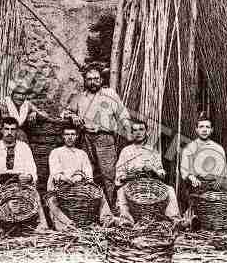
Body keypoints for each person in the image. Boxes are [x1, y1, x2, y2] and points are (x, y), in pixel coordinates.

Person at [63, 62, 131, 209]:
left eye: (96, 79)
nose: (93, 82)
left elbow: (123, 114)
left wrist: (128, 131)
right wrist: (72, 116)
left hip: (105, 138)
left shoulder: (110, 94)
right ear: (85, 81)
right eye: (89, 79)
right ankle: (91, 207)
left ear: (101, 80)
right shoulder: (79, 97)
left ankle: (113, 208)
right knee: (87, 172)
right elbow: (64, 112)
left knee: (109, 174)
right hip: (85, 138)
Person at [0, 117, 49, 242]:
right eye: (6, 129)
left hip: (21, 183)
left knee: (35, 196)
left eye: (13, 129)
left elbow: (32, 171)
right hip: (1, 184)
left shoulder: (24, 148)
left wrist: (28, 177)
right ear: (1, 130)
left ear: (17, 131)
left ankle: (42, 228)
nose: (9, 132)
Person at [43, 124, 116, 230]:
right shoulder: (56, 152)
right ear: (63, 136)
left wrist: (81, 179)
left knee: (100, 195)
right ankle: (67, 225)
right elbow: (55, 173)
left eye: (72, 134)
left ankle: (107, 219)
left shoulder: (82, 153)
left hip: (80, 187)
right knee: (52, 201)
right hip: (59, 188)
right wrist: (68, 179)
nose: (70, 137)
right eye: (67, 134)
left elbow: (89, 175)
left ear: (77, 136)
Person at [115, 119, 186, 227]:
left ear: (147, 132)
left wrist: (153, 169)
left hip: (149, 186)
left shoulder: (152, 151)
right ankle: (126, 220)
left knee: (170, 190)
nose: (138, 133)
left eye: (141, 129)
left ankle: (176, 220)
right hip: (132, 186)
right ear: (132, 133)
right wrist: (130, 174)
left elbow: (162, 174)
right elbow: (119, 176)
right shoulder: (126, 151)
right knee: (121, 191)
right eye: (135, 130)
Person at [180, 112, 227, 221]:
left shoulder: (218, 148)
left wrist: (221, 179)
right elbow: (185, 171)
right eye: (201, 127)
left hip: (215, 183)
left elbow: (224, 172)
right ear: (196, 129)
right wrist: (193, 178)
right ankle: (190, 219)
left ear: (212, 130)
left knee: (226, 202)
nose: (204, 130)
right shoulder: (190, 148)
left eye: (207, 127)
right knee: (198, 200)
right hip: (198, 183)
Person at [0, 73, 39, 144]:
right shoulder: (1, 105)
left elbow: (41, 113)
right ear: (12, 94)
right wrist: (3, 128)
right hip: (1, 142)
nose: (21, 97)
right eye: (18, 94)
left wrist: (34, 112)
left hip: (21, 142)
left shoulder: (27, 105)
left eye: (23, 94)